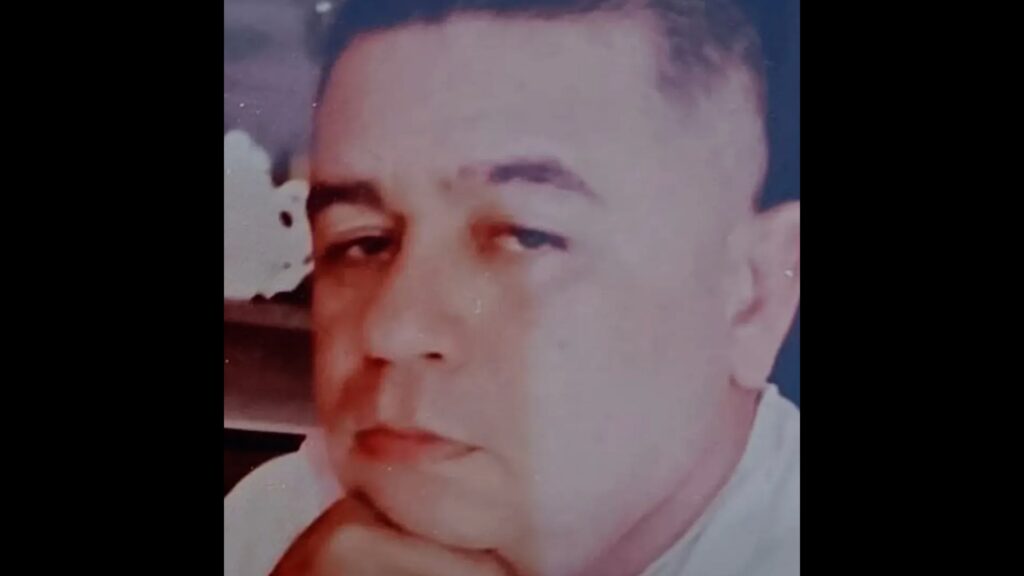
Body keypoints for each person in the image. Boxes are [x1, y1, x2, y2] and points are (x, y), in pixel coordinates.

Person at [224, 0, 800, 574]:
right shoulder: (276, 524)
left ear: (753, 296)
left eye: (527, 236)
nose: (392, 329)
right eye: (363, 242)